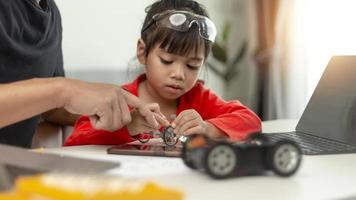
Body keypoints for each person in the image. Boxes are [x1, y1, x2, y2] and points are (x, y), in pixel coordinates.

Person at [64, 0, 261, 146]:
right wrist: (127, 127)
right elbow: (74, 142)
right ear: (142, 52)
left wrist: (208, 128)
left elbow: (251, 120)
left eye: (192, 65)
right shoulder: (118, 101)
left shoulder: (199, 98)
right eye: (167, 61)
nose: (179, 74)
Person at [0, 0, 165, 148]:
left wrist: (123, 114)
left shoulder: (51, 13)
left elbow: (52, 109)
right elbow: (60, 95)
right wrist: (65, 90)